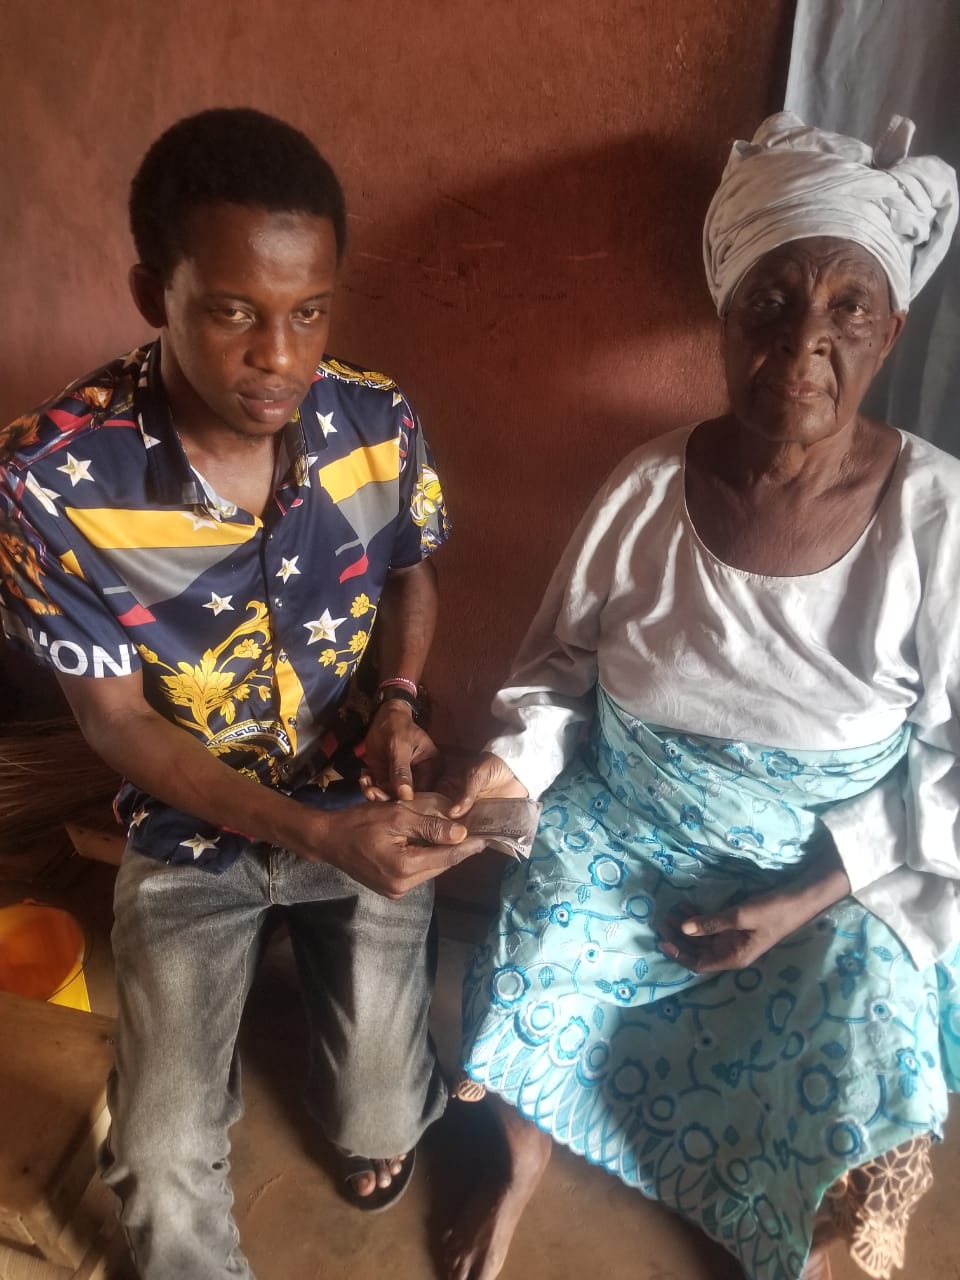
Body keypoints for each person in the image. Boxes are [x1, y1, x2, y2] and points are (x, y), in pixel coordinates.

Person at [441, 113, 960, 1280]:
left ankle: (810, 1239)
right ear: (724, 319)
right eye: (769, 307)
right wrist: (508, 767)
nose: (801, 349)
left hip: (829, 870)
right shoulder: (644, 488)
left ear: (895, 331)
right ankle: (518, 1160)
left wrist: (809, 892)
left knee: (876, 1034)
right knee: (529, 948)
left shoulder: (939, 519)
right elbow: (558, 669)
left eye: (847, 311)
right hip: (630, 830)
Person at [0, 107, 486, 1279]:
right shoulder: (52, 481)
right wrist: (310, 832)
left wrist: (402, 704)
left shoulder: (377, 419)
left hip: (350, 797)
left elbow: (412, 571)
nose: (281, 356)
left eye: (309, 310)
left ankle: (325, 994)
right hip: (188, 828)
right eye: (233, 310)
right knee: (163, 1163)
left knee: (380, 1118)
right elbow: (114, 723)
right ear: (148, 290)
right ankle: (205, 1043)